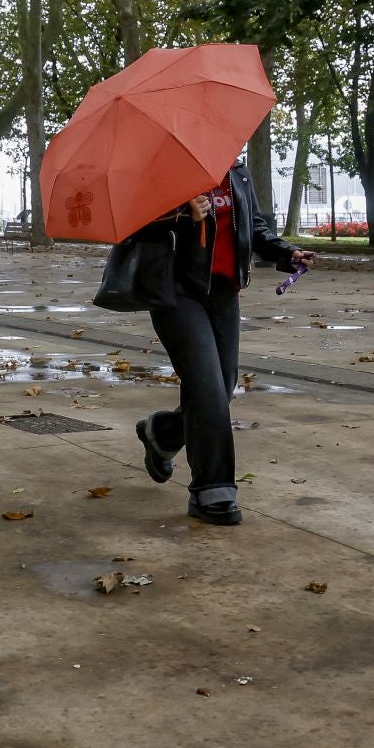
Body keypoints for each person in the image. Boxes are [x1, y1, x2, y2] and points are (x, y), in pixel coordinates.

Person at [131, 158, 314, 525]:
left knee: (222, 387)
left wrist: (285, 252)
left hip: (224, 294)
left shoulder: (238, 174)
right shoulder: (166, 170)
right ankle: (211, 492)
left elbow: (255, 227)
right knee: (208, 389)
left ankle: (163, 433)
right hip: (177, 294)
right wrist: (180, 215)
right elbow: (134, 224)